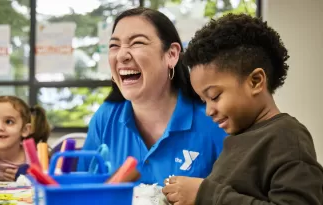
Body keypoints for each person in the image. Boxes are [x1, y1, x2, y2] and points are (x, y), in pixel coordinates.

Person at [162, 13, 323, 205]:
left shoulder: (287, 137)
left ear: (255, 81)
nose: (208, 110)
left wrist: (204, 194)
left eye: (214, 96)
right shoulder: (237, 140)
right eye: (204, 101)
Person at [77, 7, 226, 186]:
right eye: (114, 45)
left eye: (137, 43)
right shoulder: (106, 117)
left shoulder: (213, 119)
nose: (122, 55)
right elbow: (81, 188)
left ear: (171, 55)